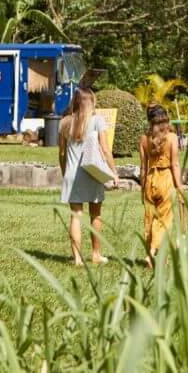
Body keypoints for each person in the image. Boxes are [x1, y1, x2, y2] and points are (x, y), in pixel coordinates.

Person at [59, 87, 119, 266]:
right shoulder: (97, 120)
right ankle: (95, 254)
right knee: (95, 215)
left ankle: (77, 258)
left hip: (72, 175)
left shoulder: (64, 123)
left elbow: (62, 154)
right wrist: (114, 172)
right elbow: (105, 149)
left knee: (76, 215)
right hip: (92, 173)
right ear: (91, 102)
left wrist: (65, 173)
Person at [139, 104, 185, 266]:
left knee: (150, 219)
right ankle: (152, 253)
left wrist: (142, 187)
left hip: (150, 180)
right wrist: (179, 187)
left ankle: (160, 257)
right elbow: (175, 165)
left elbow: (143, 167)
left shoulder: (144, 139)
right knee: (164, 220)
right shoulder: (172, 138)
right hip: (166, 179)